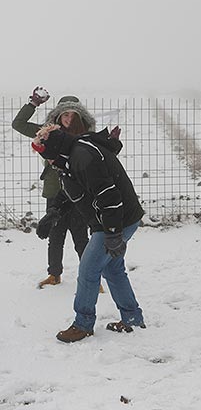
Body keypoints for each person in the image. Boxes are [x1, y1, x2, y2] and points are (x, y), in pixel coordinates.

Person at [32, 124, 145, 342]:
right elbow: (73, 186)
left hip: (116, 219)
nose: (48, 161)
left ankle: (82, 324)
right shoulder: (70, 156)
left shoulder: (83, 157)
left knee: (88, 270)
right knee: (112, 269)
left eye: (47, 156)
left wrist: (112, 234)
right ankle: (131, 317)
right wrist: (54, 211)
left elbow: (109, 196)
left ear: (55, 149)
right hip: (116, 218)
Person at [12, 87, 95, 288]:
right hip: (55, 190)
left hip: (79, 192)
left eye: (73, 115)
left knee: (81, 236)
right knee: (56, 235)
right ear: (58, 115)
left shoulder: (87, 136)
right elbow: (18, 124)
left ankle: (91, 278)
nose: (68, 119)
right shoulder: (47, 131)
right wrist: (33, 104)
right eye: (65, 114)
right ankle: (54, 275)